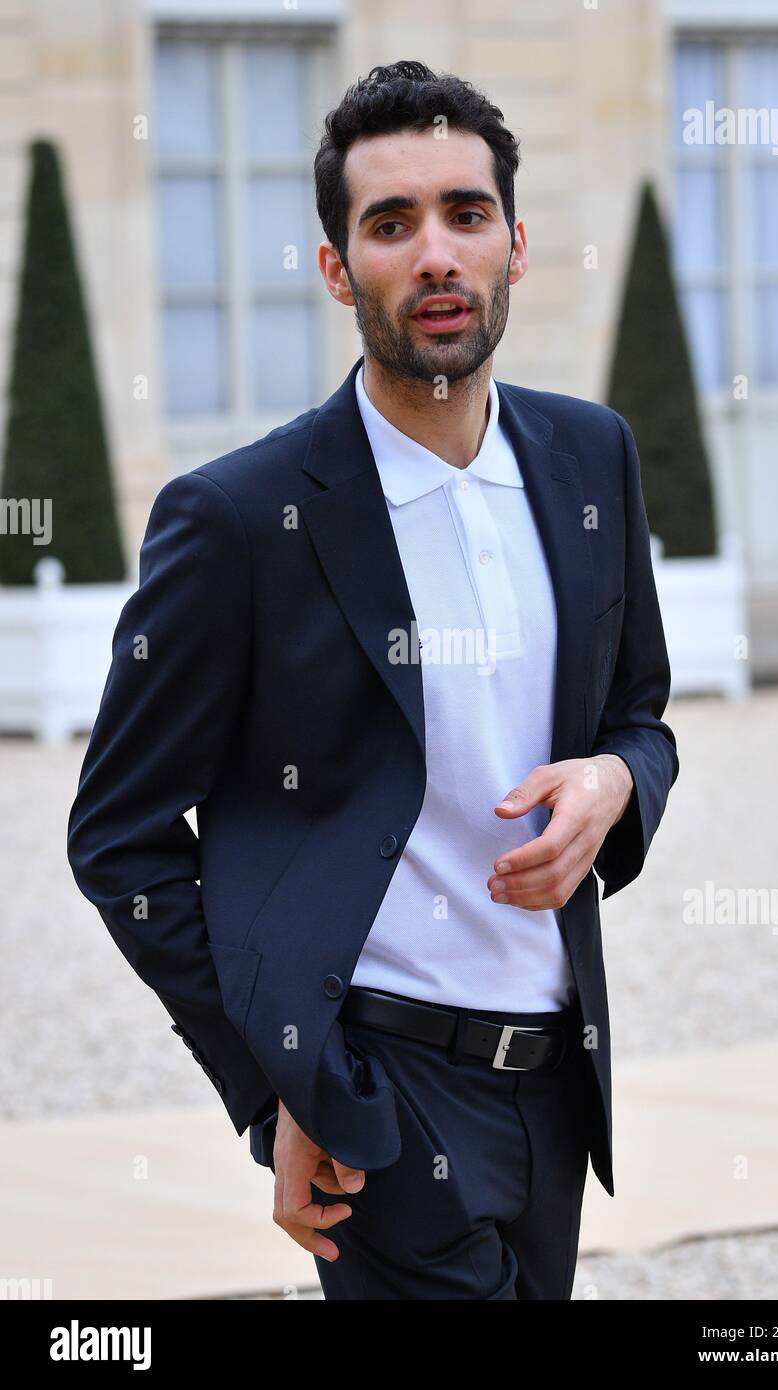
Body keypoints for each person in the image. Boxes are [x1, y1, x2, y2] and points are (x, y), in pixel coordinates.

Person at [67, 60, 679, 1300]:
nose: (435, 253)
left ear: (516, 240)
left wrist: (616, 782)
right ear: (340, 269)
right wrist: (282, 1092)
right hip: (381, 1098)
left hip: (564, 1081)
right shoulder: (238, 519)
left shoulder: (590, 458)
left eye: (464, 214)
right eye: (390, 224)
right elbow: (119, 837)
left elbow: (640, 716)